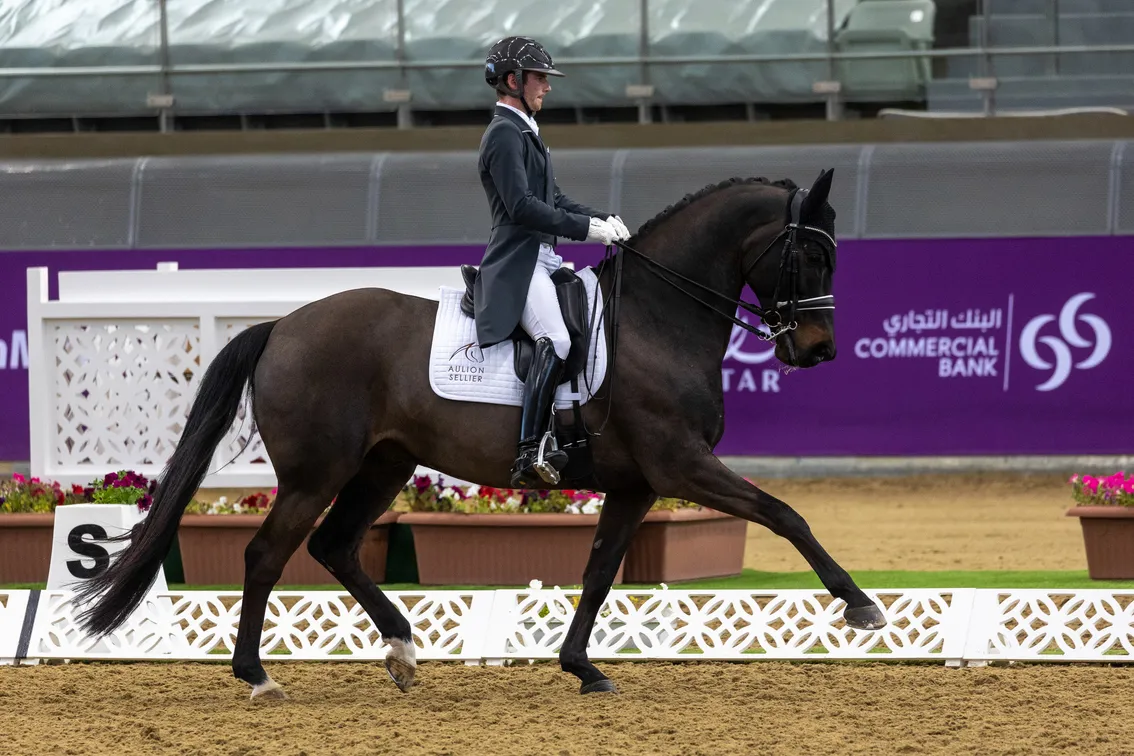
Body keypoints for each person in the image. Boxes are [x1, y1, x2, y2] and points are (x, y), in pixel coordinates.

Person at [474, 35, 631, 487]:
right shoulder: (504, 132)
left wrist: (602, 218)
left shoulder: (526, 131)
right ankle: (530, 449)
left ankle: (568, 425)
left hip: (542, 257)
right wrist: (585, 231)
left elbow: (554, 199)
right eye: (540, 78)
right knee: (557, 340)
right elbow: (522, 207)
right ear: (513, 80)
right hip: (518, 261)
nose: (547, 87)